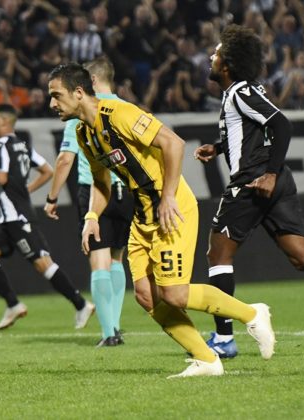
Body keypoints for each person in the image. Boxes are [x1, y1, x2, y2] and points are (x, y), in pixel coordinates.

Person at [47, 63, 275, 378]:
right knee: (146, 295)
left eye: (56, 95)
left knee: (175, 294)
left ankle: (252, 314)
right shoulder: (84, 134)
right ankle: (207, 360)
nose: (52, 103)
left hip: (171, 209)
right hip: (142, 217)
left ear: (78, 92)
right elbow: (101, 181)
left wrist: (167, 196)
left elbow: (174, 143)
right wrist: (91, 216)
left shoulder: (119, 114)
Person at [194, 24, 304, 359]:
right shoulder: (241, 92)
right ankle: (224, 337)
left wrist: (269, 174)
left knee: (218, 256)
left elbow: (281, 125)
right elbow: (254, 133)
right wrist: (219, 147)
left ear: (228, 65)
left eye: (217, 53)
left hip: (254, 180)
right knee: (303, 258)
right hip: (272, 178)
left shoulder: (240, 92)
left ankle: (224, 339)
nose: (212, 57)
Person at [0, 104, 96, 330]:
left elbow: (1, 178)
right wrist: (25, 190)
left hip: (17, 218)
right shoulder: (23, 145)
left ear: (4, 121)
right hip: (8, 219)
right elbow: (47, 170)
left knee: (43, 264)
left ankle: (81, 304)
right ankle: (13, 305)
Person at [44, 57, 133, 347]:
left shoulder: (81, 111)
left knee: (99, 261)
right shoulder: (125, 108)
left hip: (96, 192)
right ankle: (115, 324)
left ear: (89, 82)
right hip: (126, 190)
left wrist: (52, 197)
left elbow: (65, 159)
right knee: (117, 259)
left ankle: (109, 333)